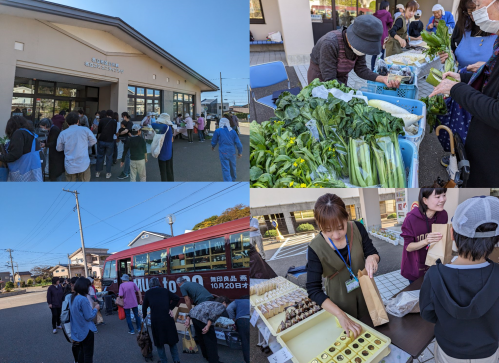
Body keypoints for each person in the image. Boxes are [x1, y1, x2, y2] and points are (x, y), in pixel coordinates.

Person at [428, 0, 499, 187]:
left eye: (478, 6)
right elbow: (491, 80)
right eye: (471, 9)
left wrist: (456, 88)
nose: (475, 13)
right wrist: (463, 77)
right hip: (481, 139)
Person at [420, 196, 499, 362]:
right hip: (488, 353)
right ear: (495, 240)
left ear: (452, 234)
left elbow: (428, 313)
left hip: (448, 351)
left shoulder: (434, 275)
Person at [306, 193, 380, 338]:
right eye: (328, 230)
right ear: (319, 226)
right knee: (349, 338)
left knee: (372, 331)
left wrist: (372, 258)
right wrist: (340, 314)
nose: (336, 235)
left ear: (347, 218)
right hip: (339, 299)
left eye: (340, 227)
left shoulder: (357, 228)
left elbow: (373, 252)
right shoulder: (315, 247)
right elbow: (313, 289)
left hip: (366, 291)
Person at [308, 15, 400, 88]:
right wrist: (351, 92)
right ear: (353, 37)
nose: (363, 51)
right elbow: (330, 79)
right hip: (321, 78)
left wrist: (382, 78)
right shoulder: (330, 43)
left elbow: (361, 69)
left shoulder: (360, 46)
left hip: (340, 79)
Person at [400, 187, 448, 284]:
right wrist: (426, 241)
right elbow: (408, 247)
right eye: (438, 196)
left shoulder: (443, 215)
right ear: (425, 200)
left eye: (444, 195)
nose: (442, 199)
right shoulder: (411, 219)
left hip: (435, 265)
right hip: (416, 267)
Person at [141, 277, 180, 363]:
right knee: (172, 341)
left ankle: (163, 360)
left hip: (156, 320)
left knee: (159, 342)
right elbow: (177, 298)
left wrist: (144, 317)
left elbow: (144, 307)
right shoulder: (165, 291)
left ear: (150, 285)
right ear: (159, 283)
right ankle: (176, 360)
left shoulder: (148, 293)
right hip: (167, 318)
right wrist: (170, 308)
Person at [184, 297, 227, 363]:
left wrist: (188, 319)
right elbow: (213, 315)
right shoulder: (221, 305)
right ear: (224, 302)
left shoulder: (207, 302)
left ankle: (206, 355)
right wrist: (208, 326)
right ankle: (214, 360)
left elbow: (193, 310)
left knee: (201, 338)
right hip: (204, 321)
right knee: (211, 341)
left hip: (195, 319)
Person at [56, 112, 97, 182]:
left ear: (67, 122)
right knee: (84, 187)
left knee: (70, 188)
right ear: (78, 121)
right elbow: (94, 141)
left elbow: (59, 148)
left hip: (70, 165)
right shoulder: (85, 130)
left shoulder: (63, 133)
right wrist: (86, 144)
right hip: (84, 163)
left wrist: (66, 147)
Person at [0, 116, 43, 181]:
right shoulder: (30, 133)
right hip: (34, 169)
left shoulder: (18, 133)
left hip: (22, 171)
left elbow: (15, 154)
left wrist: (2, 157)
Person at [70, 277, 99, 363]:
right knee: (88, 354)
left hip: (78, 329)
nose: (89, 288)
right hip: (86, 329)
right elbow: (89, 317)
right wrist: (96, 309)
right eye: (88, 286)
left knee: (82, 351)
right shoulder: (83, 299)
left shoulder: (73, 297)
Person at [211, 118, 243, 182]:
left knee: (225, 168)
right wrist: (240, 152)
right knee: (233, 166)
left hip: (223, 151)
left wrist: (213, 146)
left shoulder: (218, 131)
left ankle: (228, 181)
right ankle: (233, 178)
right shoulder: (233, 131)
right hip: (232, 152)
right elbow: (238, 143)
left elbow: (214, 140)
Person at [226, 296, 250, 363]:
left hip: (242, 320)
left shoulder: (237, 301)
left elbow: (228, 309)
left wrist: (233, 319)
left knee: (245, 342)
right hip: (252, 320)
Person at [61, 277, 79, 363]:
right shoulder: (69, 296)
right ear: (72, 285)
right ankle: (77, 360)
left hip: (78, 322)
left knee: (79, 343)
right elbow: (64, 312)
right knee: (75, 342)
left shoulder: (79, 294)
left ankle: (79, 359)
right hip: (71, 322)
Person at [151, 113, 174, 181]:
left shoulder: (164, 127)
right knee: (169, 169)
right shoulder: (170, 128)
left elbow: (152, 124)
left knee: (163, 172)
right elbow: (172, 140)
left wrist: (157, 121)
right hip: (169, 151)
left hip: (162, 152)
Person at [95, 110, 117, 179]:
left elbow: (99, 131)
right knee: (109, 157)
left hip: (101, 140)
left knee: (100, 156)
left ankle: (98, 172)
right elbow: (114, 132)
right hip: (110, 141)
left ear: (106, 114)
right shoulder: (114, 122)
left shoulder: (102, 120)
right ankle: (108, 173)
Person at [372, 2, 393, 70]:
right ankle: (381, 70)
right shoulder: (387, 14)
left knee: (374, 55)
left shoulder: (375, 14)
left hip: (375, 36)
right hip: (383, 37)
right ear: (386, 7)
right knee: (382, 54)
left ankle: (372, 69)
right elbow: (391, 25)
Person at [117, 112, 134, 180]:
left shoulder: (129, 123)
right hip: (126, 141)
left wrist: (119, 133)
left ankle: (125, 172)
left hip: (128, 142)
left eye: (122, 116)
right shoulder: (125, 123)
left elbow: (126, 131)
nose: (122, 118)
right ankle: (128, 171)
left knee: (127, 156)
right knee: (128, 156)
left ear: (125, 116)